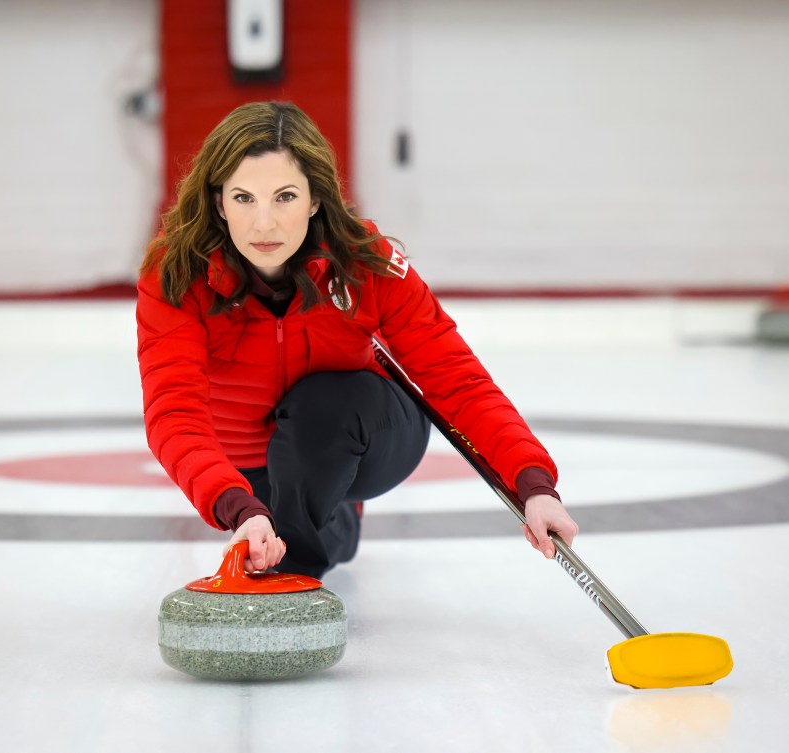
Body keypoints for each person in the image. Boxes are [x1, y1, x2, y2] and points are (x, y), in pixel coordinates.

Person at [137, 101, 578, 578]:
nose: (264, 223)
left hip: (363, 433)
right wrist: (239, 506)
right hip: (252, 466)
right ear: (219, 201)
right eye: (244, 198)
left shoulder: (366, 261)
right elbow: (174, 412)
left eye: (285, 196)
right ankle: (330, 519)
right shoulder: (176, 273)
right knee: (296, 526)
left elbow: (457, 380)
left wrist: (533, 486)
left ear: (315, 198)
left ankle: (291, 582)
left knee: (323, 406)